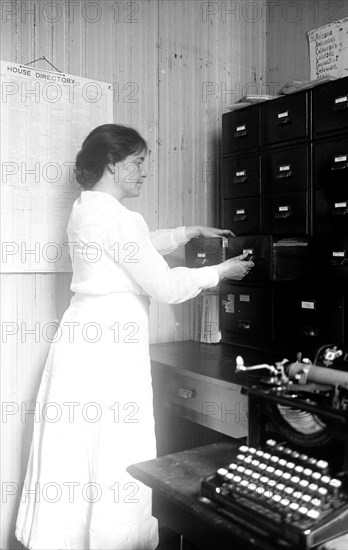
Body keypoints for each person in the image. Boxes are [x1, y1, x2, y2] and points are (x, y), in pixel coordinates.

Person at [15, 124, 254, 550]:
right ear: (112, 163)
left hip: (82, 343)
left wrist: (186, 233)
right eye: (138, 162)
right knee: (114, 450)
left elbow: (133, 246)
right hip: (110, 349)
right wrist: (220, 271)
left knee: (78, 453)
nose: (145, 172)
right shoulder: (118, 218)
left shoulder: (87, 208)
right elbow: (163, 286)